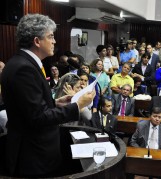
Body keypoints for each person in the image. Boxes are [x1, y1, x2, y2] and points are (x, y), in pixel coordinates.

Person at [1, 14, 95, 177]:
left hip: (33, 150)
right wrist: (78, 105)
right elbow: (38, 118)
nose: (54, 41)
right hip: (33, 154)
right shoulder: (24, 69)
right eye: (51, 36)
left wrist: (55, 102)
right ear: (37, 41)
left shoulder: (21, 63)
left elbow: (29, 107)